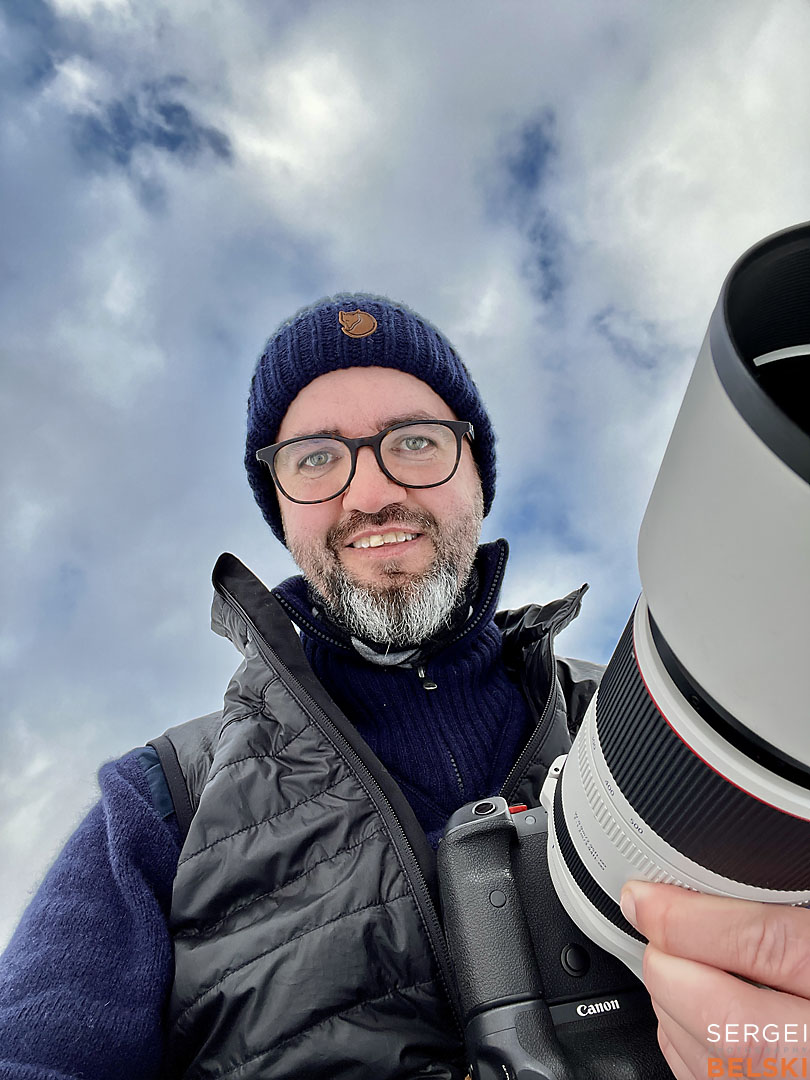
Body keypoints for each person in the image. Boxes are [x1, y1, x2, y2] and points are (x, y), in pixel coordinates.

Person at [0, 296, 806, 1080]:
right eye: (315, 457)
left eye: (415, 442)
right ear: (281, 510)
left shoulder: (650, 717)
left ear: (477, 477)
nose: (370, 491)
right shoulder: (162, 798)